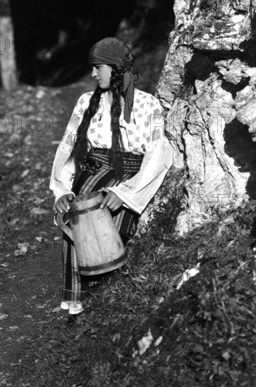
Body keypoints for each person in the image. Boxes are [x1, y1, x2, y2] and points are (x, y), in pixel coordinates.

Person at [50, 37, 173, 315]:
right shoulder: (86, 102)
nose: (93, 74)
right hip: (92, 172)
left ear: (116, 68)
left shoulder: (148, 105)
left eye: (98, 67)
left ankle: (104, 299)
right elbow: (69, 146)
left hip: (128, 176)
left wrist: (125, 193)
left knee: (111, 232)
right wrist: (62, 189)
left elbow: (158, 156)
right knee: (77, 218)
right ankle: (76, 299)